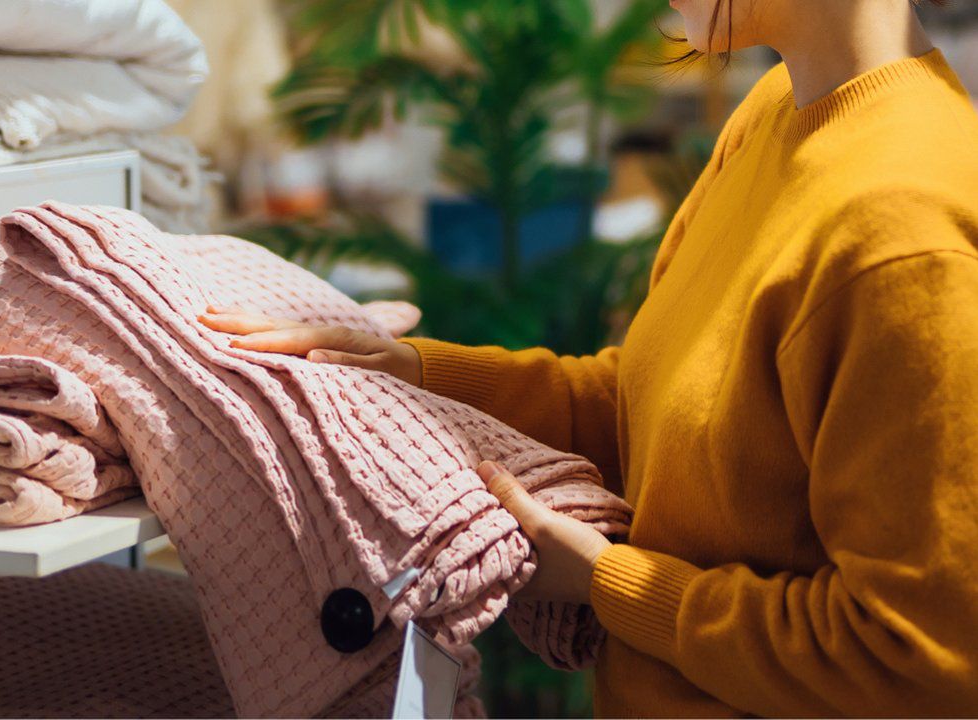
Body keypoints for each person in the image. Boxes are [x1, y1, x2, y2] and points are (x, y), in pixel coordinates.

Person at [200, 0, 978, 715]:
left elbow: (916, 661)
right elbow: (649, 403)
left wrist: (611, 583)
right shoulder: (779, 110)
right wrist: (412, 375)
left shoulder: (901, 235)